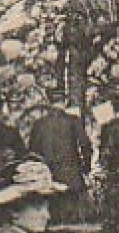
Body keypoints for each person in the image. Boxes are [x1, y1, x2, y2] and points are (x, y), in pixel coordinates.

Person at [25, 94, 93, 225]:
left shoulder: (39, 124)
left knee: (50, 216)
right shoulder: (73, 121)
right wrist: (86, 167)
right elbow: (85, 146)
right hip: (70, 174)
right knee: (71, 217)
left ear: (49, 103)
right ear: (65, 102)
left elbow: (32, 152)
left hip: (46, 175)